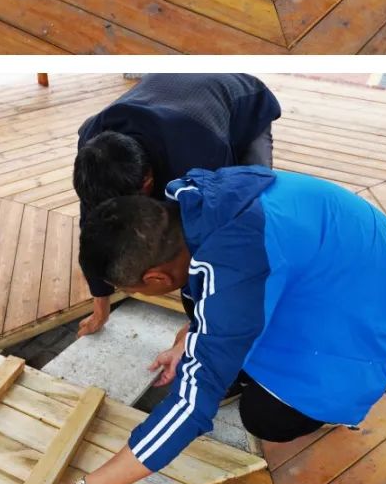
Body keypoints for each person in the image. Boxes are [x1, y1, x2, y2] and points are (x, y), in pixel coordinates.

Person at [27, 165, 386, 484]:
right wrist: (193, 338)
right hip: (346, 258)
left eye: (130, 288)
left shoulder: (237, 262)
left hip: (378, 302)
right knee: (206, 314)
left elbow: (191, 407)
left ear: (155, 279)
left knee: (267, 416)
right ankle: (236, 358)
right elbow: (222, 293)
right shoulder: (188, 202)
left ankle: (327, 401)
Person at [73, 74, 282, 336]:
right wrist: (100, 308)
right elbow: (92, 233)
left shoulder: (201, 158)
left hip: (241, 100)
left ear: (148, 182)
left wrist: (196, 328)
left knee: (252, 208)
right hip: (173, 96)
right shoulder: (92, 148)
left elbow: (210, 242)